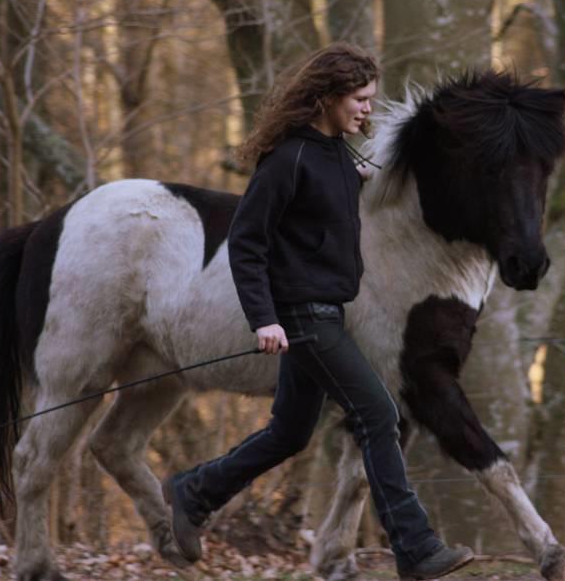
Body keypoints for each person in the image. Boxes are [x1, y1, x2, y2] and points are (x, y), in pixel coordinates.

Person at [161, 42, 474, 580]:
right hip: (304, 315)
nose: (367, 110)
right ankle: (415, 547)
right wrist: (264, 317)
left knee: (289, 434)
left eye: (371, 100)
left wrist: (361, 180)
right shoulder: (287, 159)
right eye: (359, 99)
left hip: (330, 309)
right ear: (326, 97)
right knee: (378, 414)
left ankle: (194, 491)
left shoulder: (337, 152)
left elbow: (325, 203)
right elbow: (247, 242)